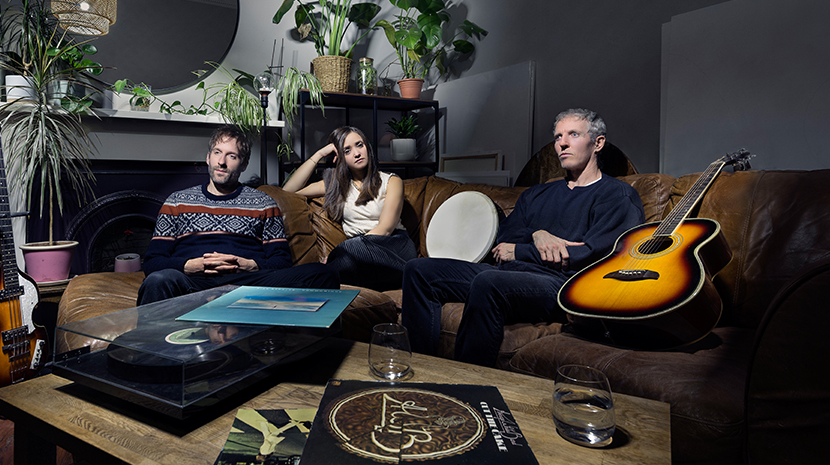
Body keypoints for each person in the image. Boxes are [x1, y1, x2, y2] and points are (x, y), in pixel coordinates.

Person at [401, 108, 645, 367]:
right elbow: (506, 235)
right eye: (557, 136)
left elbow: (594, 255)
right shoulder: (538, 194)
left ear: (597, 143)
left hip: (560, 284)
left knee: (488, 281)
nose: (562, 143)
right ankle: (418, 367)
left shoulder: (617, 195)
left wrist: (521, 251)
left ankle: (468, 383)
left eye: (573, 134)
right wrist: (538, 235)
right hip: (509, 271)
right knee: (418, 270)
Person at [138, 124, 338, 304]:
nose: (222, 162)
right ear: (208, 157)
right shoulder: (176, 201)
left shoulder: (263, 203)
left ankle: (307, 345)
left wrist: (247, 265)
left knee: (322, 274)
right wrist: (191, 266)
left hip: (246, 284)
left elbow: (281, 261)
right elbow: (153, 261)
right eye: (217, 153)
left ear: (243, 164)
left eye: (232, 156)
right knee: (157, 281)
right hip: (193, 283)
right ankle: (148, 345)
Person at [283, 126, 417, 290]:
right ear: (339, 157)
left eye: (359, 145)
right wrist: (319, 154)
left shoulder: (391, 181)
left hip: (394, 247)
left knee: (348, 251)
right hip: (358, 258)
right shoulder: (335, 185)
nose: (357, 153)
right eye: (347, 150)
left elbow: (385, 228)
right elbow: (288, 192)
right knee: (333, 268)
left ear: (367, 146)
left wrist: (336, 254)